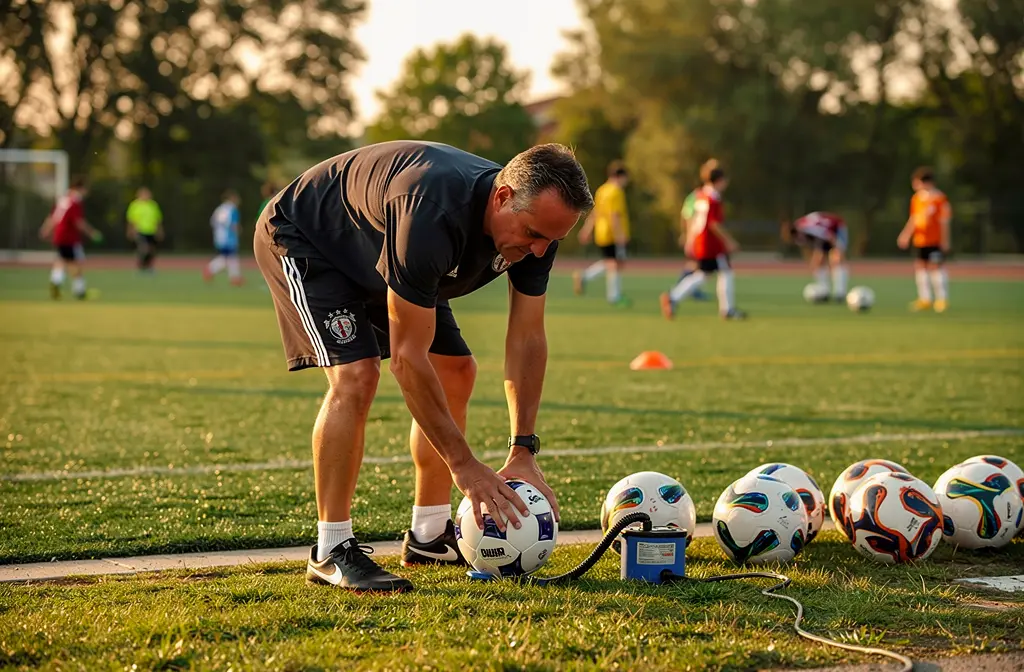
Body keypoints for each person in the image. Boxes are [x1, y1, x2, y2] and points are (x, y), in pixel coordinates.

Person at [254, 141, 593, 592]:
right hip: (310, 238)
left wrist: (523, 449)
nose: (538, 250)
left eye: (553, 240)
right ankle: (331, 548)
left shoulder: (539, 230)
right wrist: (465, 465)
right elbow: (408, 362)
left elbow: (527, 336)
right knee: (358, 375)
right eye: (533, 233)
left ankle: (430, 535)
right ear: (503, 196)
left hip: (385, 252)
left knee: (457, 370)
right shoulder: (430, 211)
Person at [660, 162, 746, 320]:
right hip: (711, 243)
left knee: (703, 274)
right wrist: (729, 241)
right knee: (725, 271)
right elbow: (713, 224)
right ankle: (727, 310)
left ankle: (673, 297)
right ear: (719, 181)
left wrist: (690, 238)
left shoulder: (699, 195)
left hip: (701, 241)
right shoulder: (713, 199)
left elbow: (690, 217)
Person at [572, 160, 631, 307]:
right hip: (612, 233)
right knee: (615, 264)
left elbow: (596, 212)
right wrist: (620, 235)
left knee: (611, 263)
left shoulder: (602, 190)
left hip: (602, 232)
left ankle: (586, 278)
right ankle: (614, 296)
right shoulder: (616, 192)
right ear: (620, 176)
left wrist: (587, 229)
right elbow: (614, 215)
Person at [897, 167, 951, 312]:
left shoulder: (939, 199)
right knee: (921, 267)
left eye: (916, 182)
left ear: (924, 182)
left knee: (936, 268)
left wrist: (945, 240)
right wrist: (906, 234)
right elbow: (914, 219)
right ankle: (925, 299)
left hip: (935, 240)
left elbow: (944, 221)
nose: (914, 186)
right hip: (920, 240)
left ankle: (942, 299)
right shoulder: (916, 199)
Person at [38, 176, 101, 300]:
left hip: (59, 235)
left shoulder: (63, 199)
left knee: (61, 260)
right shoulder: (74, 201)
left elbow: (53, 217)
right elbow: (78, 222)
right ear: (80, 188)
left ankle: (55, 282)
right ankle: (80, 291)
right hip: (69, 237)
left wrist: (46, 229)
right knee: (75, 262)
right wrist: (92, 233)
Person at [786, 211, 849, 302]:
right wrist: (813, 261)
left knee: (836, 260)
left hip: (836, 228)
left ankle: (840, 293)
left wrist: (838, 250)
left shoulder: (812, 229)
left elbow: (830, 237)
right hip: (822, 235)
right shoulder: (796, 232)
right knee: (818, 262)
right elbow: (809, 247)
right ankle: (824, 291)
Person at [204, 190, 244, 286]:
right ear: (232, 198)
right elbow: (233, 225)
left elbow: (213, 222)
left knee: (226, 258)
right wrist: (239, 231)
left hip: (219, 237)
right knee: (231, 257)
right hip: (229, 238)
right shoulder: (232, 209)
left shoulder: (220, 209)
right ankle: (234, 278)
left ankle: (211, 269)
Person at [125, 187, 164, 273]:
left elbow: (158, 219)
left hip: (151, 231)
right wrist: (130, 231)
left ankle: (148, 266)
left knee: (152, 250)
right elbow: (131, 220)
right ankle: (141, 266)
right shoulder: (135, 205)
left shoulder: (153, 205)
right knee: (144, 248)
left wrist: (160, 231)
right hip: (140, 231)